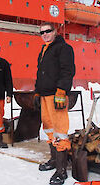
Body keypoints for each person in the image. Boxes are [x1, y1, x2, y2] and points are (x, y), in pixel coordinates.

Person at [35, 22, 75, 185]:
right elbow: (40, 73)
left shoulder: (64, 48)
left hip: (56, 95)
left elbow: (68, 71)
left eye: (48, 31)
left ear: (55, 32)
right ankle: (53, 160)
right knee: (49, 129)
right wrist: (37, 91)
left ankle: (61, 170)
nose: (44, 34)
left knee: (60, 132)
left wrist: (61, 91)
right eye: (42, 32)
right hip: (45, 95)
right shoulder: (44, 50)